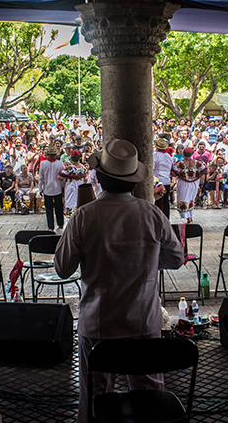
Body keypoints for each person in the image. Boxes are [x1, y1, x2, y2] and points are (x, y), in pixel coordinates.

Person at [54, 138, 183, 423]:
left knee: (95, 400)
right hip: (144, 323)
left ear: (99, 178)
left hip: (98, 325)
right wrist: (147, 261)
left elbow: (63, 268)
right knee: (150, 397)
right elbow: (176, 259)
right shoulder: (152, 214)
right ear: (133, 181)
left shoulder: (84, 216)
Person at [171, 147, 206, 225]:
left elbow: (174, 172)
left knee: (183, 199)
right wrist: (198, 176)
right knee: (190, 199)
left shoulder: (180, 163)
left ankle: (188, 218)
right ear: (192, 154)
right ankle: (190, 218)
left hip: (183, 184)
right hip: (193, 184)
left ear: (183, 154)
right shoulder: (197, 163)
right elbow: (205, 169)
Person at [38, 145, 65, 231]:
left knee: (49, 209)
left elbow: (41, 178)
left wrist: (40, 189)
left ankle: (50, 226)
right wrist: (63, 187)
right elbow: (63, 176)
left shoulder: (43, 163)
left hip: (47, 189)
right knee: (59, 208)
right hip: (57, 188)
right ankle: (60, 224)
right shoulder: (60, 163)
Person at [59, 150, 89, 221]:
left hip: (71, 187)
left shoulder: (70, 168)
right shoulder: (83, 168)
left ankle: (70, 219)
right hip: (80, 188)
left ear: (71, 158)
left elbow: (59, 177)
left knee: (70, 203)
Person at [152, 138, 174, 218]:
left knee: (157, 202)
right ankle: (166, 219)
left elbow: (152, 169)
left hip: (158, 182)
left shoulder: (155, 156)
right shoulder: (169, 156)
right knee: (165, 203)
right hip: (167, 182)